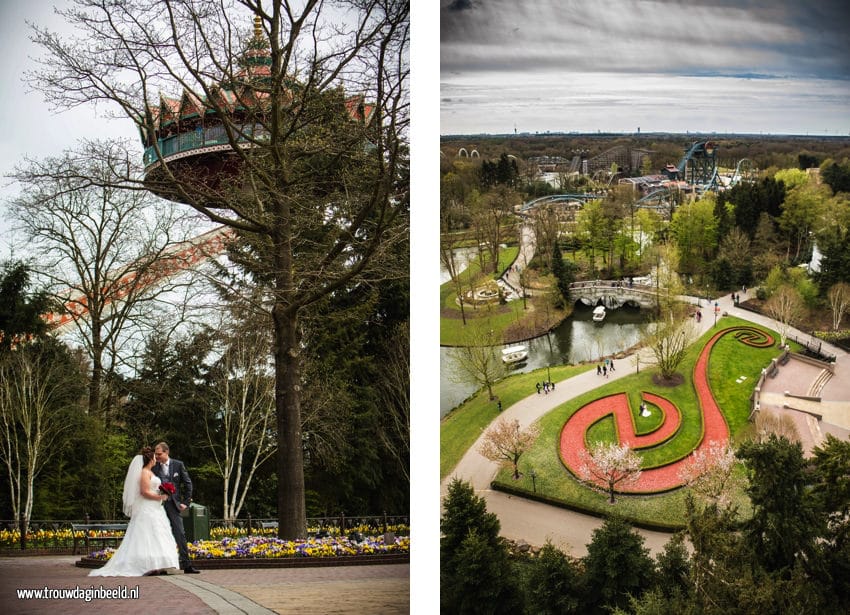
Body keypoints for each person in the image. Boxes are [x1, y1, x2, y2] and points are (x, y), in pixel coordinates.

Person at [89, 447, 179, 577]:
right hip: (147, 507)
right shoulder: (144, 472)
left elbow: (152, 489)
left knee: (158, 533)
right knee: (145, 534)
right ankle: (146, 564)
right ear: (150, 459)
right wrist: (161, 497)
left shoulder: (150, 472)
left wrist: (163, 492)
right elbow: (144, 492)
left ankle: (159, 563)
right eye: (154, 457)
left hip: (155, 508)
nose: (156, 459)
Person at [153, 442, 200, 574]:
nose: (157, 457)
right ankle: (161, 566)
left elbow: (188, 483)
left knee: (180, 533)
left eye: (159, 454)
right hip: (157, 506)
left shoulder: (178, 465)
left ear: (166, 452)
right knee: (159, 534)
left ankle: (187, 565)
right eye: (155, 454)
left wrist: (186, 502)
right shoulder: (153, 467)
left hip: (174, 505)